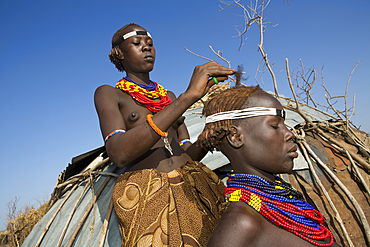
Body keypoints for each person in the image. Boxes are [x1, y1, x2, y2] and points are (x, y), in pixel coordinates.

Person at [94, 23, 235, 246]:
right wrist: (187, 98)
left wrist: (208, 137)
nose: (147, 48)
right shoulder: (109, 94)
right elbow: (119, 153)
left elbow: (188, 154)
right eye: (137, 43)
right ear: (120, 53)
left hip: (193, 183)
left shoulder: (168, 97)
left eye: (150, 44)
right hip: (149, 195)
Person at [197, 85, 340, 247]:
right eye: (275, 126)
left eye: (285, 125)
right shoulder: (242, 223)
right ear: (236, 137)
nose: (290, 133)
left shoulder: (290, 199)